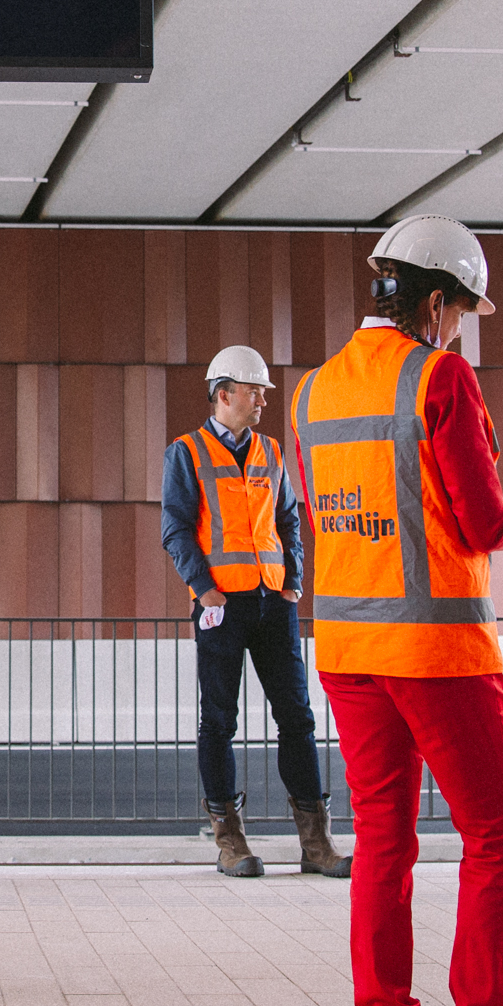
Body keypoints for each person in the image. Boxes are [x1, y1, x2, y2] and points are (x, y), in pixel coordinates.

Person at [290, 213, 503, 1006]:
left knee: (384, 840)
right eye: (459, 309)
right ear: (432, 302)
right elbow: (482, 523)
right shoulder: (439, 375)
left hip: (345, 651)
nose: (458, 326)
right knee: (499, 835)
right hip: (437, 652)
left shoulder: (312, 392)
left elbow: (324, 516)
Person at [161, 344, 346, 881]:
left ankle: (317, 844)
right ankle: (230, 844)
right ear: (225, 394)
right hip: (221, 604)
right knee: (217, 722)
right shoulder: (186, 453)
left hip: (272, 603)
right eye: (254, 390)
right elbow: (175, 528)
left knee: (298, 718)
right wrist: (204, 588)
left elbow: (290, 519)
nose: (263, 399)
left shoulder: (269, 450)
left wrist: (294, 581)